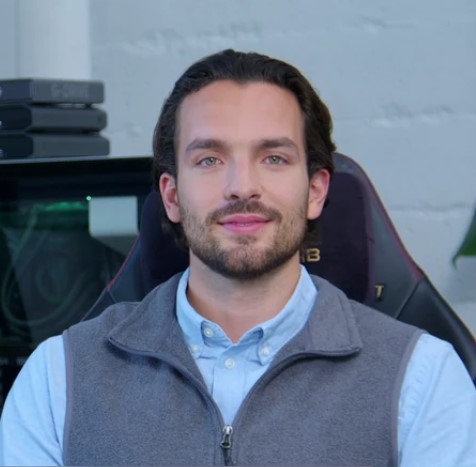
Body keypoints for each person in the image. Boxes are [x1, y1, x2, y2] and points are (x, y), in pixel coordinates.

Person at [0, 49, 475, 466]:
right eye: (209, 159)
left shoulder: (424, 379)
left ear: (315, 191)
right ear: (171, 196)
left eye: (274, 158)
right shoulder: (57, 378)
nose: (242, 186)